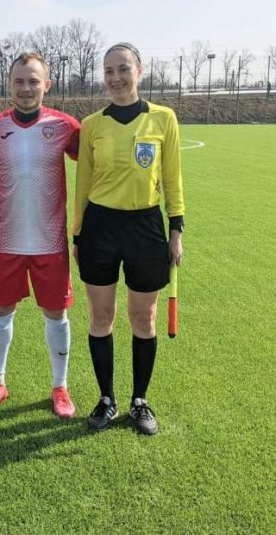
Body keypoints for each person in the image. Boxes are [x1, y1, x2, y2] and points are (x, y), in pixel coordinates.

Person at [72, 42, 185, 435]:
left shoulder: (164, 119)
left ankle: (139, 401)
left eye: (123, 69)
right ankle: (106, 399)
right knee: (101, 317)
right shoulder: (92, 125)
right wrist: (77, 233)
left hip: (146, 227)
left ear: (140, 71)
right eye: (109, 71)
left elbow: (172, 178)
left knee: (143, 317)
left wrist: (176, 229)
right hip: (100, 228)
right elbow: (83, 183)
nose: (116, 78)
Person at [0, 52, 80, 418]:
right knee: (1, 309)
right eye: (19, 81)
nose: (26, 88)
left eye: (33, 81)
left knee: (56, 313)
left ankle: (60, 386)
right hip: (8, 239)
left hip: (50, 241)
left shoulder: (65, 126)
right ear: (9, 85)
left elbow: (93, 159)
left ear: (47, 84)